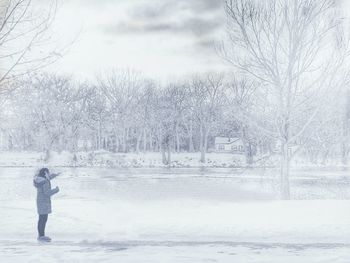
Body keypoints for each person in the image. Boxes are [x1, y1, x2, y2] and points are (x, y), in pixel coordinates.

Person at [33, 168, 60, 242]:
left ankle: (40, 235)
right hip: (44, 202)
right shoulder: (45, 182)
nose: (49, 173)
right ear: (45, 173)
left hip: (40, 201)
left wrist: (54, 175)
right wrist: (56, 190)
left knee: (41, 218)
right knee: (43, 219)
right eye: (48, 172)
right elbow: (47, 192)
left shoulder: (39, 180)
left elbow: (47, 179)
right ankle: (41, 236)